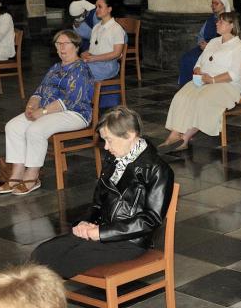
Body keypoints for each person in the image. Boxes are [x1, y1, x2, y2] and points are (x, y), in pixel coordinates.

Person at [32, 106, 174, 278]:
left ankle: (42, 302)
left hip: (129, 241)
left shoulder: (157, 169)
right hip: (101, 230)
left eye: (109, 140)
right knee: (43, 252)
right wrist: (85, 223)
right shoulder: (113, 160)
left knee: (66, 259)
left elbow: (150, 220)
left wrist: (101, 233)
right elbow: (98, 203)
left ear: (130, 135)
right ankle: (38, 301)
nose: (106, 147)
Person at [0, 30, 95, 196]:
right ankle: (17, 173)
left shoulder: (80, 69)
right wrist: (31, 106)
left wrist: (42, 111)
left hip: (75, 113)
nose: (61, 47)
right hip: (48, 112)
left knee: (36, 130)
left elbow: (71, 100)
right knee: (13, 126)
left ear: (76, 46)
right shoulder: (55, 67)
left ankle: (32, 176)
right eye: (58, 44)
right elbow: (40, 90)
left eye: (65, 43)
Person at [159, 12, 241, 150]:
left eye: (221, 22)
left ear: (231, 26)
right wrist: (198, 70)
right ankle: (174, 135)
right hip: (205, 81)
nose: (217, 24)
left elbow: (236, 74)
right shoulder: (213, 42)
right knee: (181, 96)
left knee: (202, 100)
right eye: (217, 21)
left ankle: (184, 139)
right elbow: (200, 61)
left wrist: (212, 79)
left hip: (227, 86)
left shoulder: (239, 47)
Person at [178, 0, 232, 87]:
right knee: (186, 58)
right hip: (204, 47)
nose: (213, 5)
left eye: (216, 3)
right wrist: (201, 43)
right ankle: (185, 86)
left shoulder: (229, 20)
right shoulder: (210, 19)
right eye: (212, 3)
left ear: (223, 5)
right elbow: (201, 34)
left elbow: (227, 40)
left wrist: (209, 47)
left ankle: (198, 85)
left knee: (194, 60)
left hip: (217, 49)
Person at [81, 0, 126, 108]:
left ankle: (83, 104)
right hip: (94, 63)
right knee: (74, 67)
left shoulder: (116, 29)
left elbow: (116, 53)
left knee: (80, 71)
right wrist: (85, 53)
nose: (97, 9)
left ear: (109, 9)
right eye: (96, 6)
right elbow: (93, 49)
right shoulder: (96, 27)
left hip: (108, 66)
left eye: (100, 7)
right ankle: (81, 103)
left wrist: (94, 58)